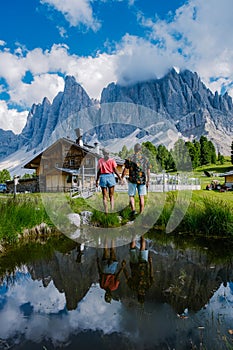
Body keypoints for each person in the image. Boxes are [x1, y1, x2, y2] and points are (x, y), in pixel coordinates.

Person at [122, 235, 154, 304]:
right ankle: (133, 233)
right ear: (138, 296)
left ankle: (142, 234)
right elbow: (127, 277)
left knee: (142, 248)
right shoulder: (133, 287)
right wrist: (123, 267)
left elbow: (151, 275)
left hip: (144, 266)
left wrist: (150, 263)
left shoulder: (148, 286)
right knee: (132, 249)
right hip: (134, 266)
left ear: (144, 295)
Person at [121, 143, 150, 216]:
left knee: (131, 195)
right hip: (142, 180)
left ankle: (133, 210)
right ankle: (141, 213)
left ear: (134, 149)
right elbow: (148, 170)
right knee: (141, 196)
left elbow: (125, 169)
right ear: (140, 149)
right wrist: (148, 180)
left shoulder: (130, 158)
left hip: (132, 179)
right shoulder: (145, 158)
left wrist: (121, 177)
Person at [97, 239, 126, 303]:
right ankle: (107, 235)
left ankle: (112, 236)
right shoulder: (102, 286)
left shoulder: (114, 287)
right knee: (106, 250)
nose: (107, 293)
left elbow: (117, 276)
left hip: (111, 269)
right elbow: (100, 274)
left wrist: (122, 267)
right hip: (105, 269)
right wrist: (98, 264)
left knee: (112, 251)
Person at [96, 148, 121, 213]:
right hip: (111, 177)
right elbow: (115, 170)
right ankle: (112, 210)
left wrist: (97, 180)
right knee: (111, 195)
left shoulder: (100, 161)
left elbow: (98, 172)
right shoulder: (112, 160)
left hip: (103, 177)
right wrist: (120, 178)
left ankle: (106, 211)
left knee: (104, 196)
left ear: (103, 154)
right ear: (108, 153)